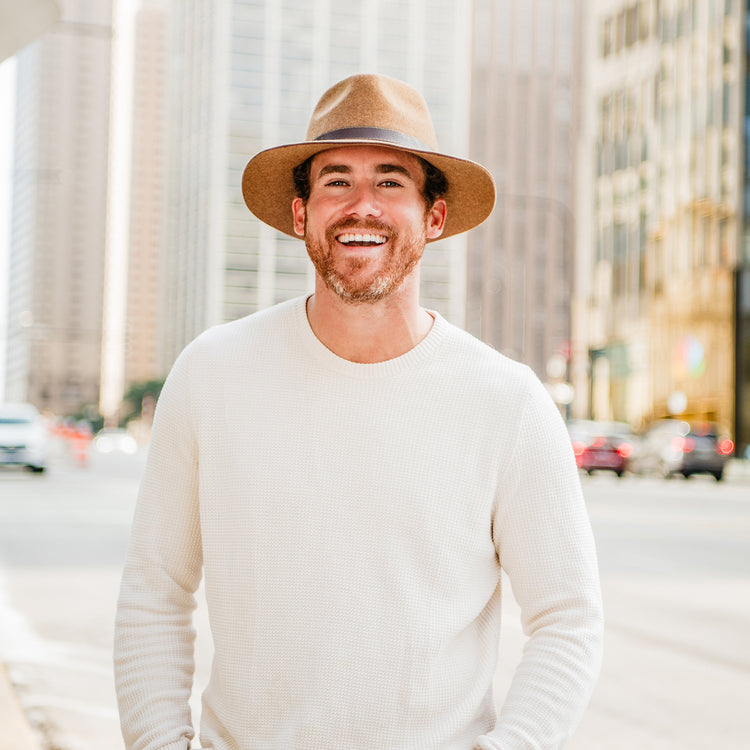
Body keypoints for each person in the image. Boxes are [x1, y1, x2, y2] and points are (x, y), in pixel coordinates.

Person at [114, 73, 603, 750]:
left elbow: (568, 619)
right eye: (336, 180)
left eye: (391, 182)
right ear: (300, 214)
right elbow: (154, 592)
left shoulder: (508, 402)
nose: (361, 205)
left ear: (434, 217)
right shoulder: (212, 373)